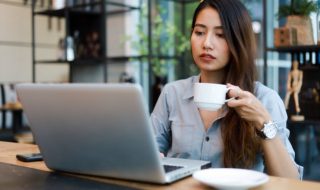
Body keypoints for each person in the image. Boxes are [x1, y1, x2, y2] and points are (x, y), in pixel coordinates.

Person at [151, 0, 302, 179]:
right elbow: (148, 150)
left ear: (238, 42)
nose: (206, 43)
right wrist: (153, 158)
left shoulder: (265, 99)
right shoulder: (172, 94)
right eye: (199, 32)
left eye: (221, 35)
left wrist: (263, 122)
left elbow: (291, 182)